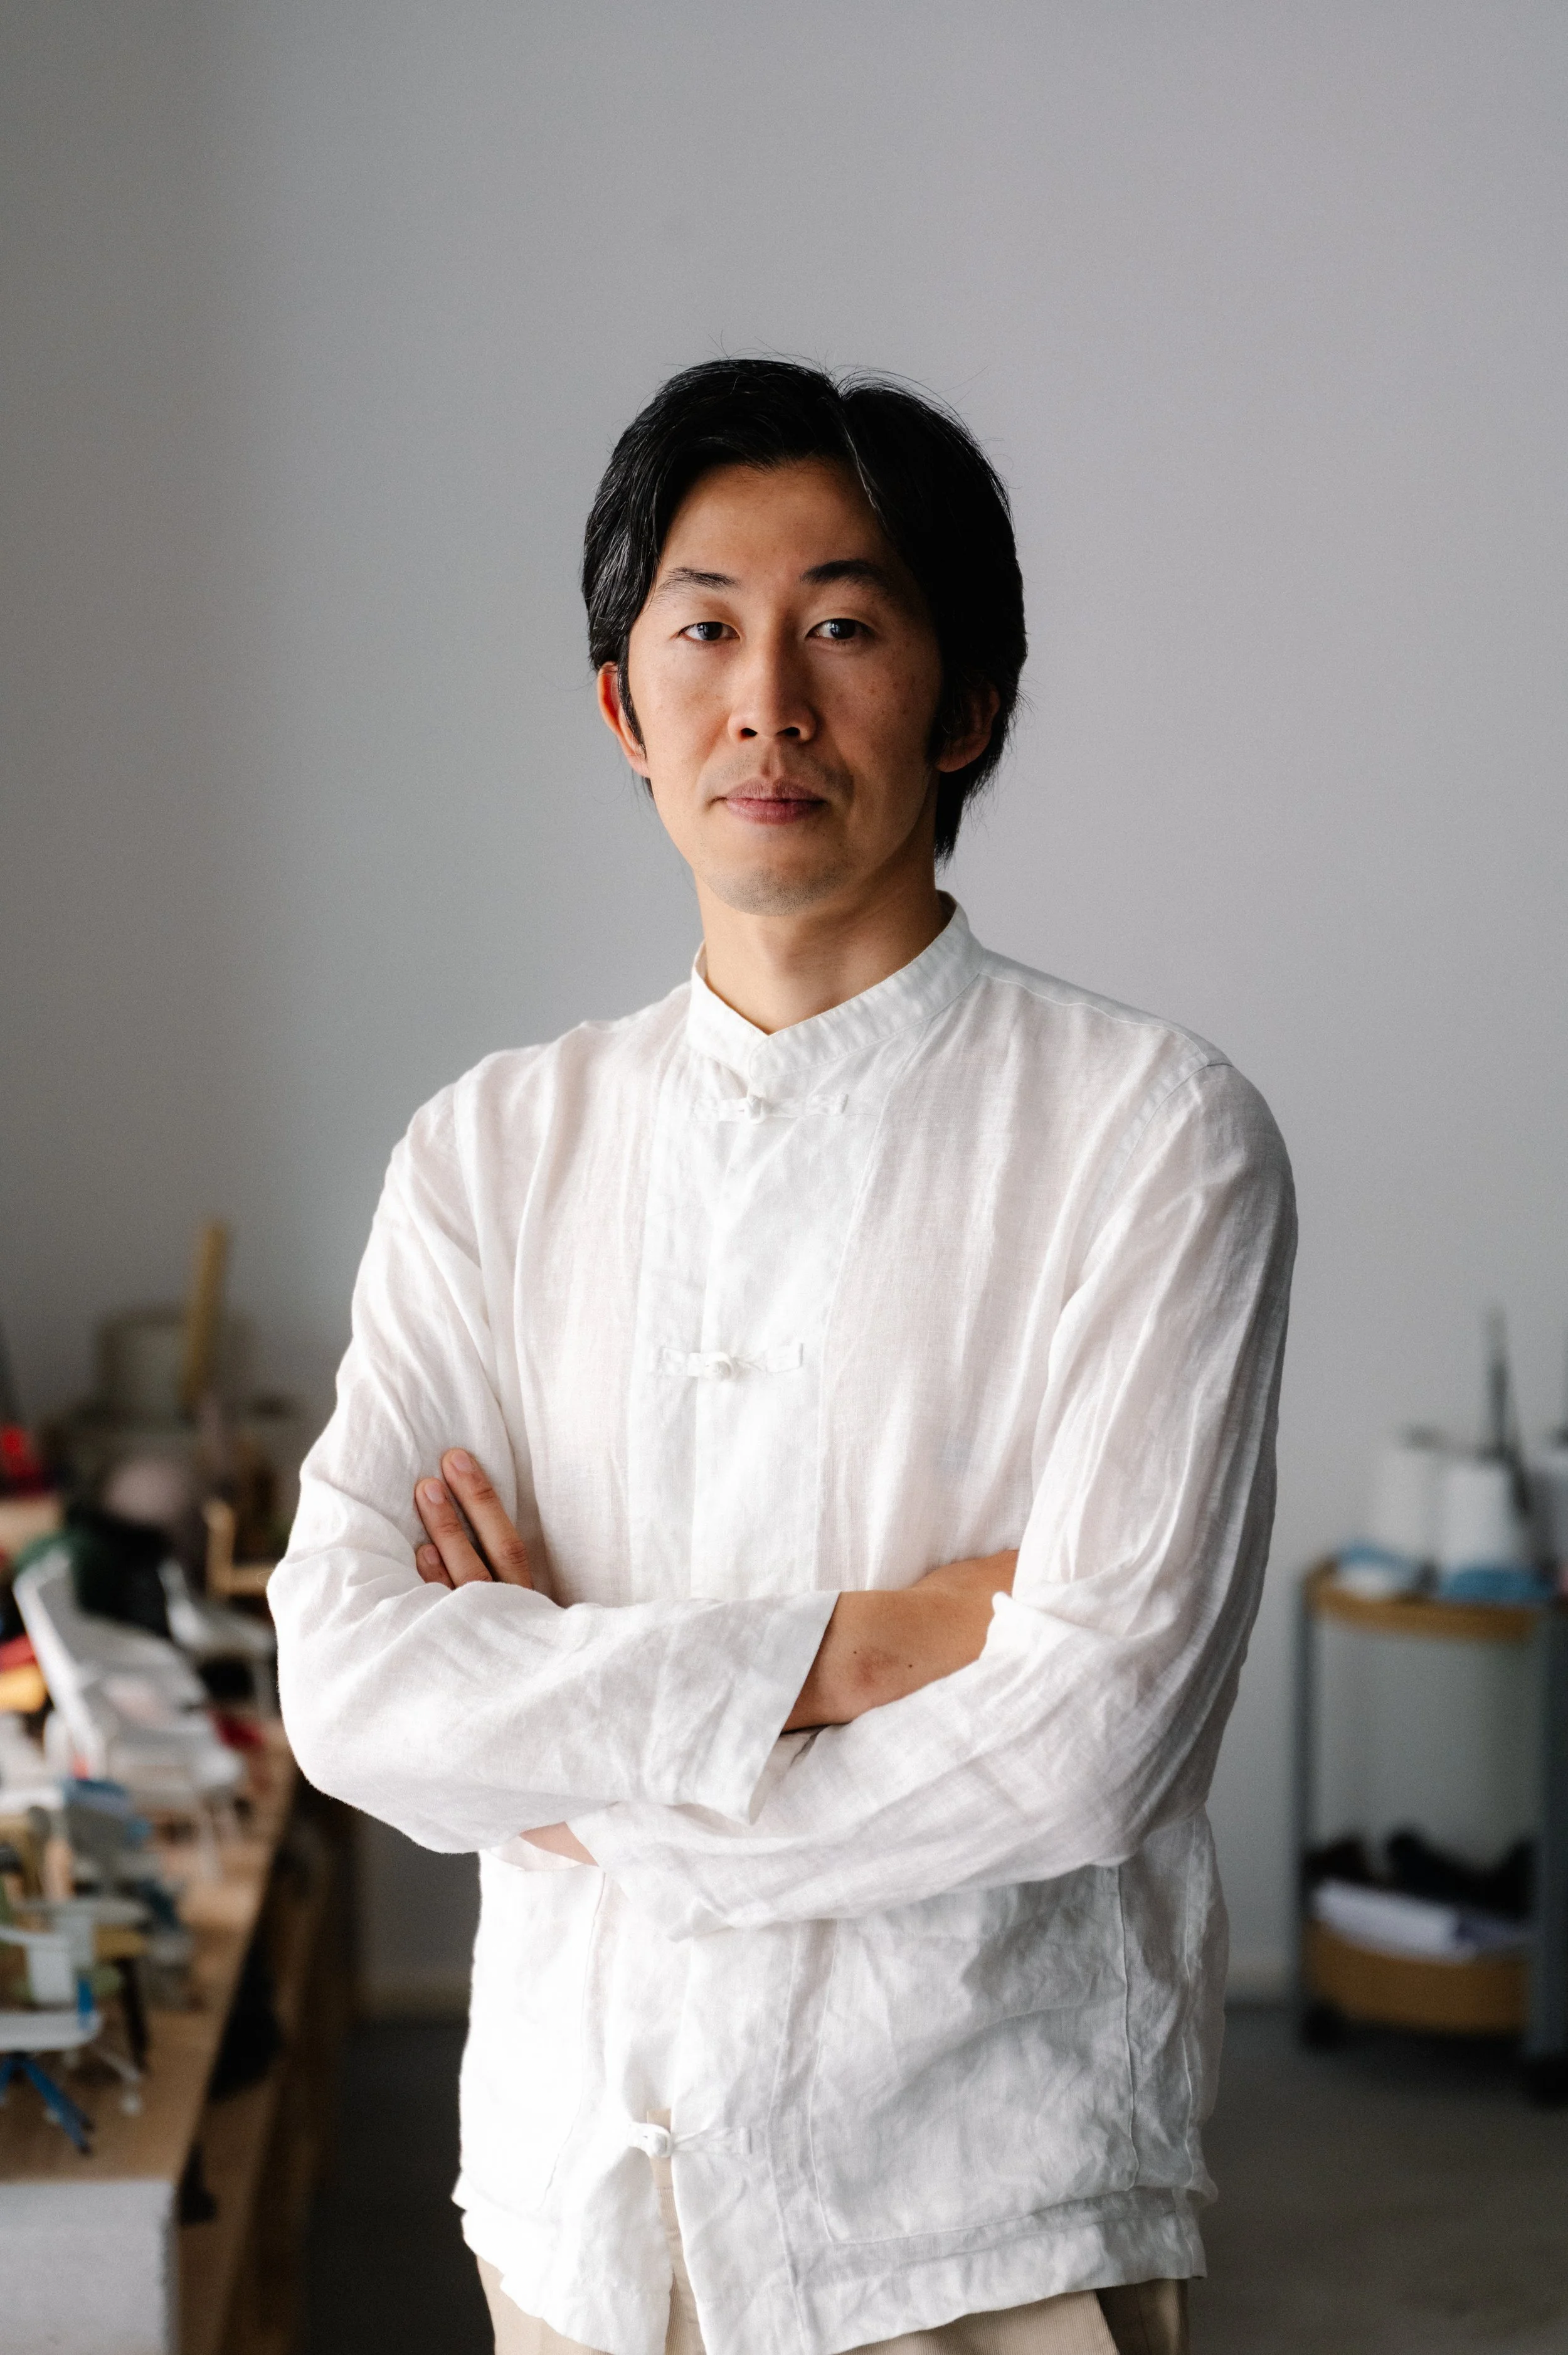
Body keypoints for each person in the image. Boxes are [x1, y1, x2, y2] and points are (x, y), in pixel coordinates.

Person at [271, 358, 1295, 2355]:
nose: (768, 699)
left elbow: (1098, 1740)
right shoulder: (491, 1148)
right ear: (620, 711)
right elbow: (354, 1681)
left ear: (969, 702)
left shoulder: (1150, 1132)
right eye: (705, 629)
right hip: (581, 2211)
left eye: (842, 624)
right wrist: (874, 1646)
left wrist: (574, 1749)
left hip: (975, 2217)